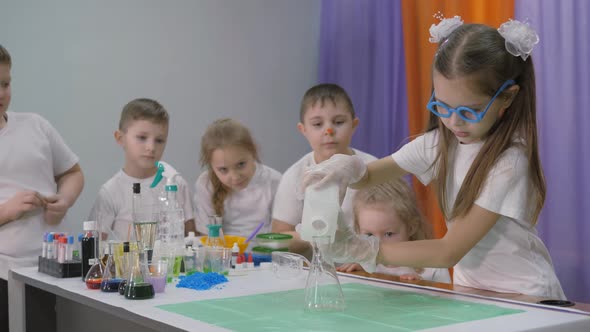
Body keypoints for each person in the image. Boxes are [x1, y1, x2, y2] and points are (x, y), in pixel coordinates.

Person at [303, 18, 566, 299]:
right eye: (443, 106)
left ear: (507, 97)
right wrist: (348, 167)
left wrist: (361, 249)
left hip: (527, 294)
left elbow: (448, 251)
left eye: (470, 110)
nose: (454, 122)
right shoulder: (440, 144)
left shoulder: (508, 162)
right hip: (473, 291)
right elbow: (367, 177)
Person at [0, 44, 84, 330]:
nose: (1, 94)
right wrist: (7, 211)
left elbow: (73, 173)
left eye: (5, 83)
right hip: (3, 272)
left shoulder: (36, 125)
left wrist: (66, 199)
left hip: (50, 268)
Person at [271, 83, 377, 256]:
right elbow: (278, 238)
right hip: (316, 268)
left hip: (366, 265)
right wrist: (313, 235)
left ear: (354, 125)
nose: (329, 131)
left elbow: (395, 229)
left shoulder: (373, 168)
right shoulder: (294, 175)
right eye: (317, 124)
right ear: (303, 130)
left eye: (339, 122)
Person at [88, 98, 195, 241]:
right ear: (120, 138)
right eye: (142, 137)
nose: (151, 147)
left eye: (159, 140)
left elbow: (191, 239)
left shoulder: (176, 184)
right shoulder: (110, 192)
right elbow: (95, 249)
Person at [337, 179, 451, 283]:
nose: (378, 244)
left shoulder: (433, 266)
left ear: (411, 227)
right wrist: (358, 275)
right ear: (358, 230)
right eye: (369, 234)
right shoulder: (361, 266)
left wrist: (422, 288)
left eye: (389, 234)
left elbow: (450, 302)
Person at [194, 118, 281, 237]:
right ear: (211, 166)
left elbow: (280, 236)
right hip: (222, 253)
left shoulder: (274, 182)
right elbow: (207, 237)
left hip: (264, 253)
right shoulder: (206, 184)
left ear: (253, 152)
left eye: (241, 165)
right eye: (223, 170)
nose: (235, 177)